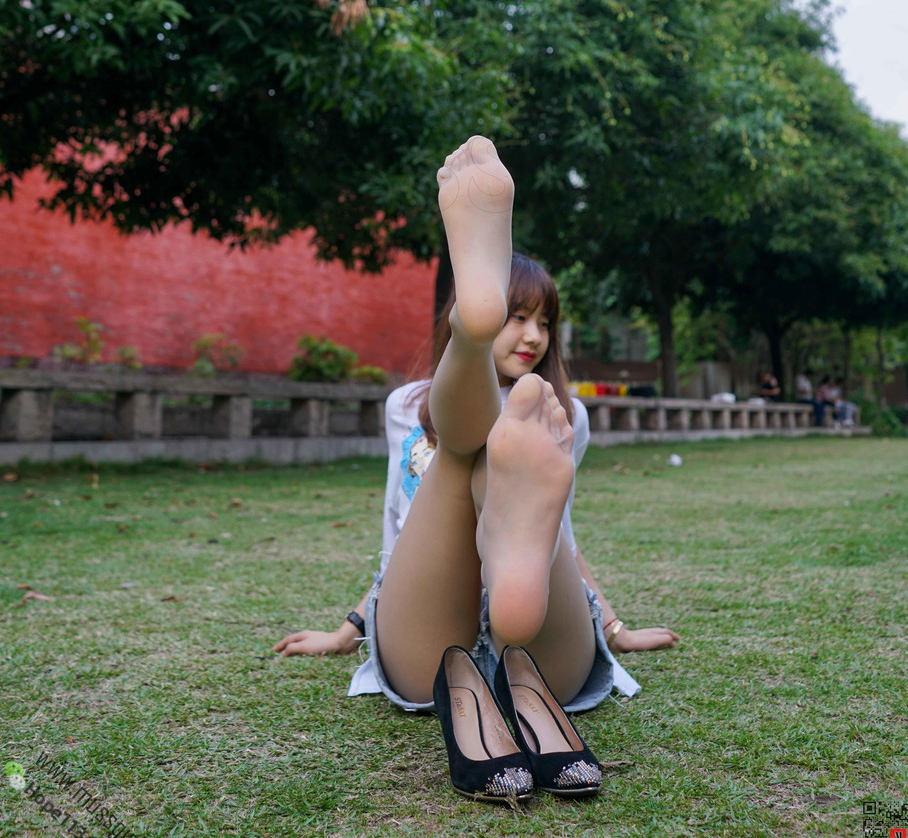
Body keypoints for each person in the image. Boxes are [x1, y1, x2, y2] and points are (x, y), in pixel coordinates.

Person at [274, 135, 678, 717]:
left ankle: (473, 332)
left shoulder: (561, 413)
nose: (534, 336)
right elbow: (405, 536)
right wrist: (345, 631)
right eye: (515, 317)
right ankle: (472, 343)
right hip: (488, 636)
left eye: (545, 322)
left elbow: (556, 532)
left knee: (484, 464)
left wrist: (616, 628)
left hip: (500, 630)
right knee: (464, 453)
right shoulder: (409, 406)